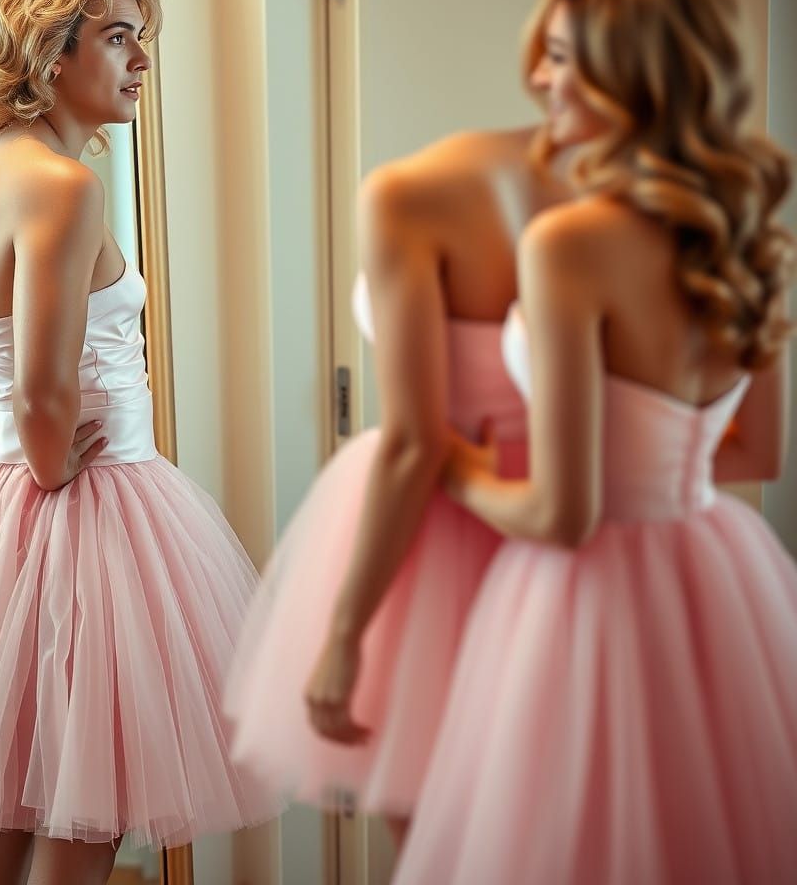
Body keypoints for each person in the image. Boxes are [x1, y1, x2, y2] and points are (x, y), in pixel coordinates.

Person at [0, 0, 278, 885]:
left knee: (6, 802)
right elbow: (47, 390)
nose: (142, 60)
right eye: (120, 38)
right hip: (76, 504)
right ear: (52, 54)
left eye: (142, 38)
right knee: (90, 805)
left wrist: (16, 425)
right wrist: (54, 460)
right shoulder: (64, 186)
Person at [395, 0, 797, 885]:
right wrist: (649, 467)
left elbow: (561, 515)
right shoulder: (752, 237)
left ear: (636, 74)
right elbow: (757, 454)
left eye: (564, 57)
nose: (539, 78)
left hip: (588, 599)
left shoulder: (571, 243)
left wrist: (453, 462)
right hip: (717, 575)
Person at [225, 70, 576, 842]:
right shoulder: (656, 203)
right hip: (582, 507)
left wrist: (345, 634)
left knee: (434, 835)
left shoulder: (422, 191)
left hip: (440, 517)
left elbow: (418, 444)